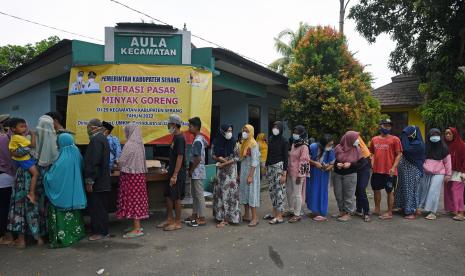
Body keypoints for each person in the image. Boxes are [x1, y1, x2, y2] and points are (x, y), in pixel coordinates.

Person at [44, 133, 86, 248]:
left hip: (63, 195)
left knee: (62, 216)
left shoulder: (63, 157)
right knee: (75, 216)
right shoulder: (77, 153)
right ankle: (77, 234)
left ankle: (64, 239)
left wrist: (46, 175)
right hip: (75, 193)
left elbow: (53, 177)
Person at [116, 123, 149, 238]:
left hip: (130, 177)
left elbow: (121, 161)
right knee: (138, 200)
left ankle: (136, 229)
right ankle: (136, 225)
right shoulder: (140, 144)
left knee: (132, 201)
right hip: (139, 177)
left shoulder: (129, 144)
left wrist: (117, 164)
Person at [369, 119, 403, 220]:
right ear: (380, 126)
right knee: (376, 190)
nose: (387, 127)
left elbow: (399, 154)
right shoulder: (374, 139)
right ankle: (377, 209)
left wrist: (393, 167)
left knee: (390, 191)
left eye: (389, 126)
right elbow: (372, 153)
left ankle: (389, 212)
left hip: (390, 172)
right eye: (385, 125)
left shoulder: (395, 139)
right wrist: (372, 162)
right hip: (377, 171)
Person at [157, 114, 186, 231]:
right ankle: (169, 219)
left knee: (176, 197)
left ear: (174, 125)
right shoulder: (175, 137)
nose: (168, 126)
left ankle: (178, 222)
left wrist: (175, 175)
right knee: (168, 195)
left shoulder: (180, 138)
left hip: (177, 173)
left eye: (169, 124)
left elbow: (180, 157)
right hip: (172, 171)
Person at [84, 119, 111, 241]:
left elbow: (94, 161)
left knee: (97, 207)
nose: (88, 129)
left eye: (88, 127)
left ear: (93, 127)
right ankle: (103, 230)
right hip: (103, 179)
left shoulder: (96, 140)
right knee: (102, 207)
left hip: (98, 180)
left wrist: (90, 180)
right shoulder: (103, 138)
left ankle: (100, 232)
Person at [417, 129, 451, 220]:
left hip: (439, 172)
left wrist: (448, 174)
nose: (434, 137)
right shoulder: (425, 147)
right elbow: (421, 159)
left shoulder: (444, 147)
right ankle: (423, 207)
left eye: (437, 134)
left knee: (433, 191)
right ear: (428, 136)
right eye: (432, 135)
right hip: (426, 171)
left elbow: (447, 162)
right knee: (424, 190)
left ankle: (433, 212)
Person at [212, 124, 241, 228]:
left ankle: (227, 219)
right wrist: (222, 159)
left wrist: (225, 163)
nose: (229, 132)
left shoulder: (234, 142)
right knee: (220, 192)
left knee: (228, 194)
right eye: (227, 130)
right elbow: (213, 154)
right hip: (220, 171)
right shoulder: (216, 141)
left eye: (231, 130)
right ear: (222, 131)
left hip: (230, 172)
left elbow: (237, 157)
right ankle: (220, 216)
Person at [333, 131, 363, 222]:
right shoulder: (338, 148)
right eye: (355, 138)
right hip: (338, 174)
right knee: (338, 194)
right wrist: (337, 164)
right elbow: (334, 161)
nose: (357, 140)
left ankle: (348, 213)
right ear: (348, 139)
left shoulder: (357, 149)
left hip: (350, 175)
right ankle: (341, 211)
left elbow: (361, 163)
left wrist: (350, 164)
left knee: (348, 194)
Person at [395, 126, 425, 220]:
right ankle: (404, 207)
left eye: (407, 133)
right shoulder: (409, 142)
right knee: (403, 188)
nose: (406, 136)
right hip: (404, 171)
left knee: (410, 190)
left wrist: (404, 135)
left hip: (413, 170)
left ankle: (410, 211)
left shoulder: (418, 144)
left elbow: (405, 149)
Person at [8, 118, 39, 204]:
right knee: (36, 174)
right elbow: (32, 145)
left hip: (18, 159)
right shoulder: (18, 137)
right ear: (13, 129)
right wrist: (33, 135)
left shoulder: (15, 137)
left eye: (25, 126)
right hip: (24, 160)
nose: (24, 129)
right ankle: (31, 193)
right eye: (21, 127)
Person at [306, 134, 335, 222]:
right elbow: (306, 159)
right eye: (329, 144)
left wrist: (327, 167)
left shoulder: (331, 150)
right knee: (313, 191)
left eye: (332, 144)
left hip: (324, 174)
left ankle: (321, 211)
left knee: (323, 191)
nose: (330, 146)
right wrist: (315, 163)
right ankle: (314, 211)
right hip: (314, 173)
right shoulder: (313, 147)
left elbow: (332, 163)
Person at [265, 121, 288, 224]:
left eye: (277, 127)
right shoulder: (270, 139)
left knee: (279, 192)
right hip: (270, 167)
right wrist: (266, 166)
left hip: (279, 167)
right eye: (273, 126)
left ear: (281, 128)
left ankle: (280, 216)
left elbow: (285, 158)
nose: (275, 128)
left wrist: (284, 174)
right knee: (272, 191)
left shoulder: (284, 141)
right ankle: (274, 213)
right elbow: (268, 153)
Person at [186, 117, 208, 227]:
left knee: (199, 195)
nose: (189, 128)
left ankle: (202, 217)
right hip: (196, 171)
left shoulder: (198, 141)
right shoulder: (199, 138)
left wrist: (191, 170)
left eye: (190, 126)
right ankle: (194, 214)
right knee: (194, 195)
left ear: (195, 127)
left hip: (197, 171)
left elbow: (198, 159)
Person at [286, 125, 310, 223]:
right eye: (294, 131)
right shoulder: (294, 144)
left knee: (297, 194)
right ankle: (291, 210)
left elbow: (304, 161)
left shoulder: (304, 146)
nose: (294, 134)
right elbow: (290, 158)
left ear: (302, 134)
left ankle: (297, 214)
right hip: (290, 172)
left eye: (297, 132)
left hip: (298, 174)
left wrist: (300, 176)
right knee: (289, 192)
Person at [239, 124, 261, 227]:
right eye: (243, 130)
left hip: (251, 172)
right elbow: (242, 159)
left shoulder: (253, 144)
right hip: (244, 171)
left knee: (251, 194)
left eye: (247, 131)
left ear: (251, 132)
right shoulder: (244, 142)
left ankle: (255, 218)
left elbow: (255, 161)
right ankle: (246, 215)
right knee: (245, 193)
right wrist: (240, 174)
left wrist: (251, 176)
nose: (244, 132)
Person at [444, 127, 465, 221]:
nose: (448, 135)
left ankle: (461, 212)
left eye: (450, 134)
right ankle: (453, 209)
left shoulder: (462, 145)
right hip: (448, 171)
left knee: (456, 191)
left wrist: (464, 172)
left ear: (454, 134)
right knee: (448, 190)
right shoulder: (445, 145)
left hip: (459, 172)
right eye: (446, 134)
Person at [0, 115, 15, 245]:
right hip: (12, 175)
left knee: (3, 206)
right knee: (10, 206)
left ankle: (7, 235)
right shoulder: (10, 138)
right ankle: (13, 234)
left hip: (2, 177)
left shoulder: (3, 138)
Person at [354, 137, 372, 222]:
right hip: (356, 168)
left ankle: (366, 212)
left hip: (364, 167)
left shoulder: (362, 149)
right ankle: (358, 210)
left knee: (361, 188)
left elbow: (365, 161)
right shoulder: (350, 145)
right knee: (357, 189)